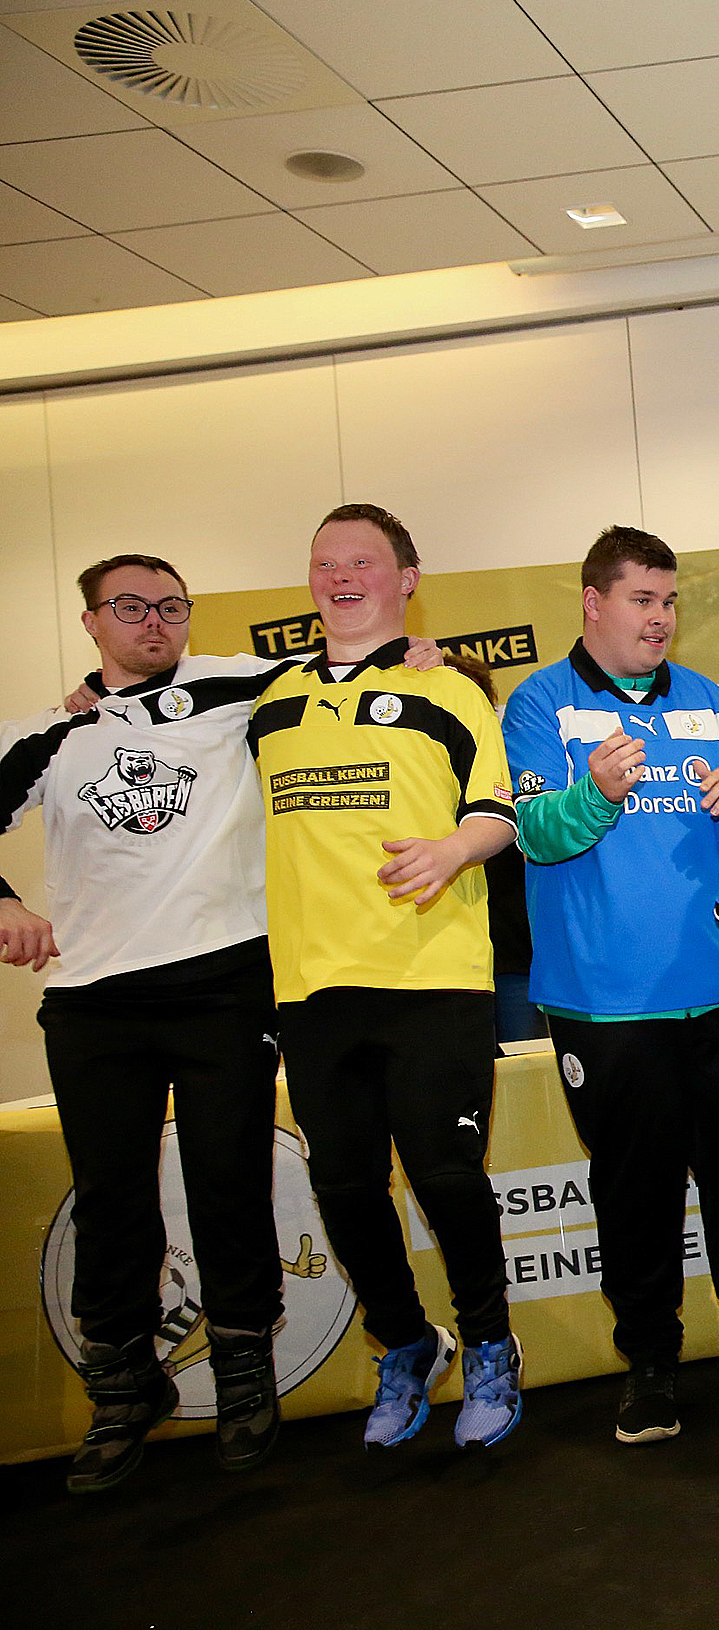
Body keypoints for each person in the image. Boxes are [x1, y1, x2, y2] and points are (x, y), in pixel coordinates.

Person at [0, 556, 298, 1491]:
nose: (153, 621)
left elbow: (347, 666)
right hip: (93, 1002)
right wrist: (4, 902)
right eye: (129, 607)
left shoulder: (235, 684)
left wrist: (415, 655)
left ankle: (245, 1368)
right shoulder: (50, 734)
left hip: (223, 984)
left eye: (171, 606)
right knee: (111, 1196)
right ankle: (124, 1382)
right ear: (91, 620)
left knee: (229, 1182)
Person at [501, 525, 719, 1446]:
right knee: (636, 1189)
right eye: (642, 599)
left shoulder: (708, 700)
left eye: (669, 601)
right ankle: (652, 1364)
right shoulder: (541, 703)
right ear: (594, 602)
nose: (661, 617)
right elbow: (532, 833)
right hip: (609, 1001)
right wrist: (592, 791)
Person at [248, 503, 524, 1446]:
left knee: (447, 1177)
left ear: (407, 578)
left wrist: (452, 849)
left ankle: (490, 1345)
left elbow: (499, 814)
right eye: (325, 562)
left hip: (432, 974)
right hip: (312, 985)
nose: (341, 576)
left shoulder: (449, 690)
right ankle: (407, 1342)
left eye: (362, 561)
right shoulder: (266, 698)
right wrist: (90, 692)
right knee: (346, 1188)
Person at [441, 652, 544, 1049]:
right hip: (450, 966)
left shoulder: (516, 765)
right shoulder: (419, 773)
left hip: (516, 959)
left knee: (528, 1068)